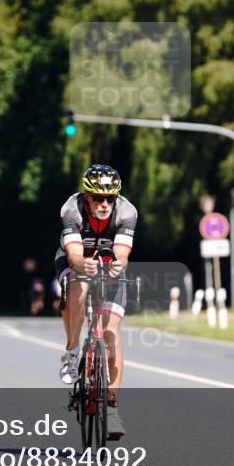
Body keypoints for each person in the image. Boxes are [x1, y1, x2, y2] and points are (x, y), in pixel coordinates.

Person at [54, 164, 137, 440]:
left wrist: (116, 265)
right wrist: (81, 264)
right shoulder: (71, 209)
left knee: (111, 332)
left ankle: (112, 407)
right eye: (97, 198)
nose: (104, 204)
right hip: (75, 260)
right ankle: (72, 349)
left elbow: (122, 254)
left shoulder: (127, 212)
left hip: (107, 261)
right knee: (78, 282)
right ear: (86, 196)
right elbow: (74, 254)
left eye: (110, 198)